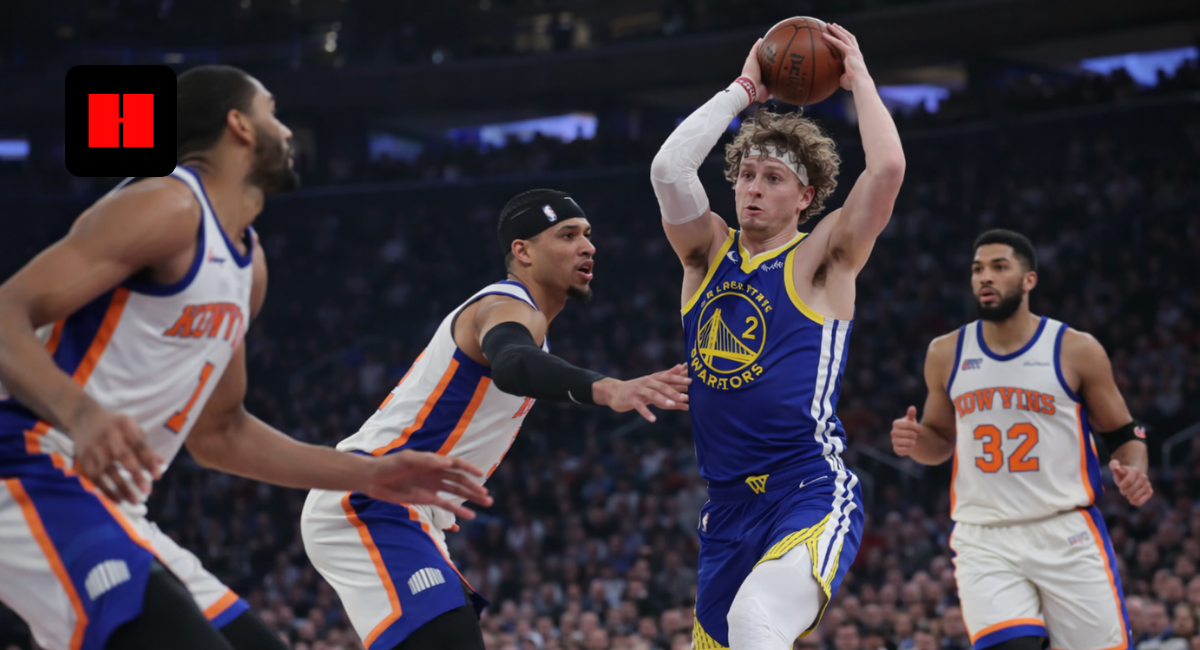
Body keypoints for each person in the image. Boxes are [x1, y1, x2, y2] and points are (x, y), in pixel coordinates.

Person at [0, 65, 491, 650]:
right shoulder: (165, 204)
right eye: (272, 112)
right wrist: (81, 414)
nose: (286, 131)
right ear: (238, 124)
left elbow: (221, 435)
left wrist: (371, 474)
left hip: (111, 504)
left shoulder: (247, 265)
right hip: (26, 465)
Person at [301, 188, 691, 650]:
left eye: (588, 234)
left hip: (403, 505)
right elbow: (512, 363)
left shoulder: (527, 322)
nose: (588, 246)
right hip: (374, 495)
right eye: (568, 235)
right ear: (522, 251)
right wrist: (608, 388)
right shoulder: (503, 304)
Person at [648, 23, 905, 650]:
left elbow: (888, 169)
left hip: (807, 487)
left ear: (805, 195)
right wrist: (744, 89)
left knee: (754, 620)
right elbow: (668, 169)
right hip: (726, 507)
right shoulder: (706, 253)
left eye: (773, 178)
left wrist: (859, 81)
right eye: (747, 175)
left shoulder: (823, 257)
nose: (754, 189)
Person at [890, 229, 1153, 650]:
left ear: (1029, 279)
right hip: (984, 536)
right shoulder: (946, 352)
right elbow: (939, 442)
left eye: (999, 267)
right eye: (978, 269)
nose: (985, 277)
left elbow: (1124, 433)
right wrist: (915, 440)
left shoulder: (1075, 349)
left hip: (1064, 531)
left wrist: (1135, 469)